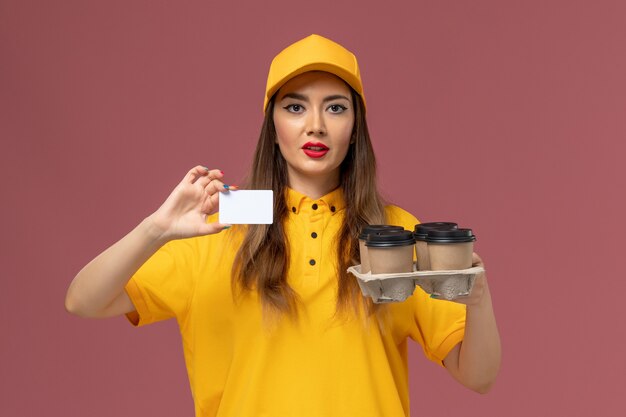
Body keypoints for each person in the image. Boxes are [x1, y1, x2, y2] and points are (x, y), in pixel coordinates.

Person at [65, 34, 501, 416]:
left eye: (335, 108)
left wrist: (477, 296)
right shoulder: (225, 220)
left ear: (355, 128)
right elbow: (83, 300)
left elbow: (478, 376)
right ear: (272, 127)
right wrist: (155, 230)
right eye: (295, 107)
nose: (315, 125)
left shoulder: (391, 231)